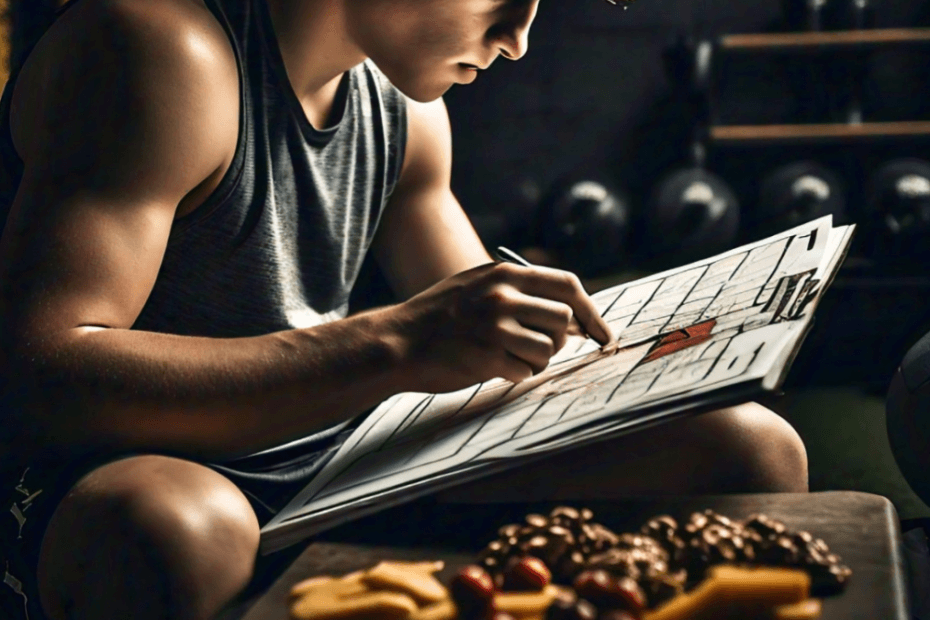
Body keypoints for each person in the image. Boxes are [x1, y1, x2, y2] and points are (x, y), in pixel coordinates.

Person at [0, 0, 809, 618]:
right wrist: (394, 345)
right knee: (173, 533)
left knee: (750, 449)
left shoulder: (406, 106)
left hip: (335, 457)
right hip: (131, 462)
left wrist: (646, 357)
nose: (518, 36)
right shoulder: (159, 49)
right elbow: (41, 375)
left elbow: (499, 364)